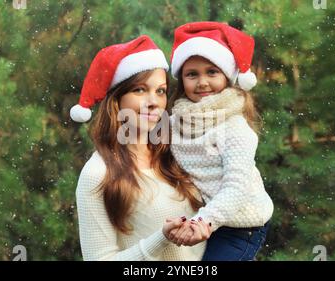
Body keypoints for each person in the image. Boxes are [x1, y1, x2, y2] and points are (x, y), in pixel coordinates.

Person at [71, 35, 209, 261]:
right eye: (140, 90)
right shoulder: (97, 173)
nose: (154, 101)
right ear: (117, 100)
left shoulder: (176, 153)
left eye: (160, 91)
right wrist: (161, 239)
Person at [167, 22, 274, 261]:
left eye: (212, 72)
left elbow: (236, 188)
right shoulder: (176, 121)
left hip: (241, 225)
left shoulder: (234, 127)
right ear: (181, 79)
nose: (202, 82)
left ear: (227, 76)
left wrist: (203, 220)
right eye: (192, 74)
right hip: (204, 220)